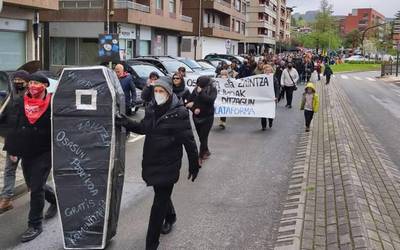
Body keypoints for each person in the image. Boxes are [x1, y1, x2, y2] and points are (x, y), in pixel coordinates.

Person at [117, 79, 200, 250]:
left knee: (158, 204)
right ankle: (170, 216)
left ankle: (151, 243)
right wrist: (125, 121)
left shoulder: (180, 113)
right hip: (152, 161)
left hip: (169, 163)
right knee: (160, 194)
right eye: (156, 91)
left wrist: (194, 164)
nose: (158, 94)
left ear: (169, 93)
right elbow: (143, 128)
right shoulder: (151, 109)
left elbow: (189, 141)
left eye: (162, 91)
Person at [3, 72, 57, 242]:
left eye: (37, 83)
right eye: (31, 82)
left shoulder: (53, 103)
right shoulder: (19, 102)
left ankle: (35, 224)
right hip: (26, 151)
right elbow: (12, 127)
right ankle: (55, 199)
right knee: (33, 184)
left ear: (45, 86)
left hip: (45, 151)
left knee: (35, 187)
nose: (33, 86)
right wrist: (12, 150)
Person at [0, 70, 29, 213]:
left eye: (20, 80)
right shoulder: (10, 97)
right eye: (15, 79)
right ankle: (6, 199)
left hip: (29, 142)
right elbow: (5, 119)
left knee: (30, 172)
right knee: (9, 170)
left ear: (27, 82)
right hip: (13, 140)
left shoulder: (32, 98)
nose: (17, 82)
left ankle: (44, 194)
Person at [186, 76, 217, 162]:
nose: (198, 85)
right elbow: (189, 102)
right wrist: (193, 109)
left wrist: (201, 93)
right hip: (197, 117)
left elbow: (210, 100)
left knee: (204, 137)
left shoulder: (213, 90)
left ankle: (200, 156)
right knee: (201, 137)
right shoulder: (195, 90)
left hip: (208, 117)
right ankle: (206, 150)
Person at [261, 64, 280, 130]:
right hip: (263, 99)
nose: (267, 72)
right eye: (266, 70)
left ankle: (270, 121)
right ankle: (263, 125)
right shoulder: (261, 79)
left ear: (271, 71)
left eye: (269, 70)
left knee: (270, 112)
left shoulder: (274, 79)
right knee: (263, 113)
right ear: (264, 71)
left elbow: (277, 88)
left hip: (272, 99)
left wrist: (276, 97)